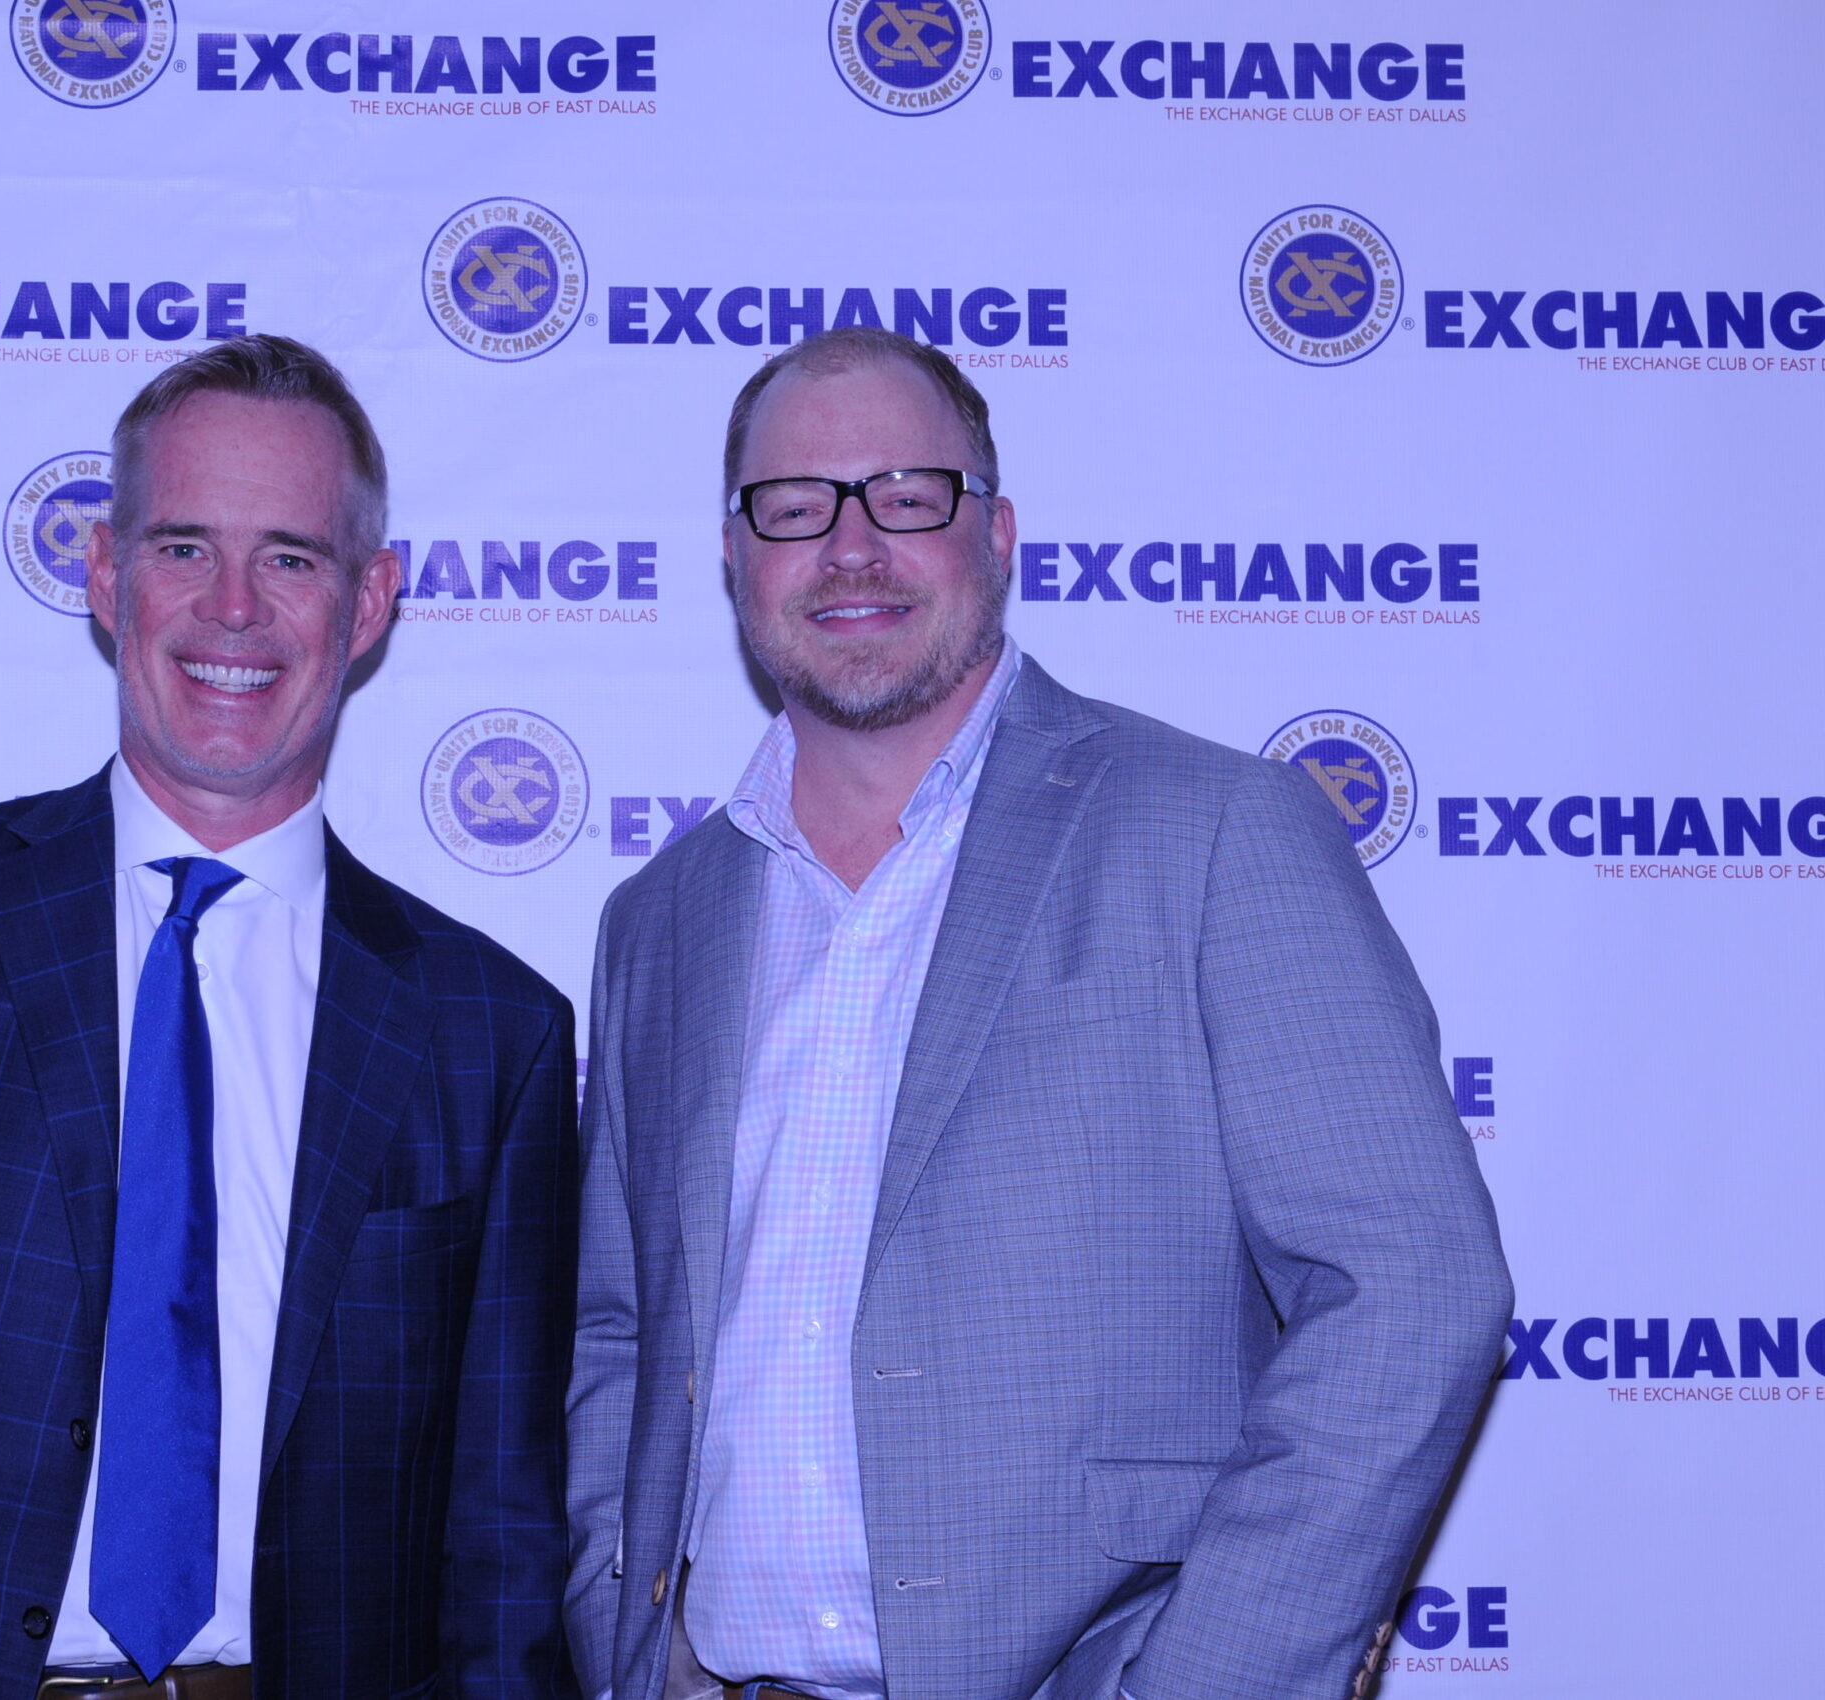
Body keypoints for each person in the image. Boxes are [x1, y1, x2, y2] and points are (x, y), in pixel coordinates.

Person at [0, 335, 581, 1700]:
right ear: (101, 572)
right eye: (184, 546)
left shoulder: (489, 1032)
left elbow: (501, 1543)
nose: (233, 608)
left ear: (370, 602)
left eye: (291, 558)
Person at [563, 326, 1512, 1700]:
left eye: (909, 495)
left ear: (996, 534)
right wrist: (627, 1645)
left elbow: (1413, 1285)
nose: (851, 546)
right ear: (734, 554)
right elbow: (621, 1334)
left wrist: (1207, 1681)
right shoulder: (660, 921)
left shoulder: (1214, 833)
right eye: (795, 505)